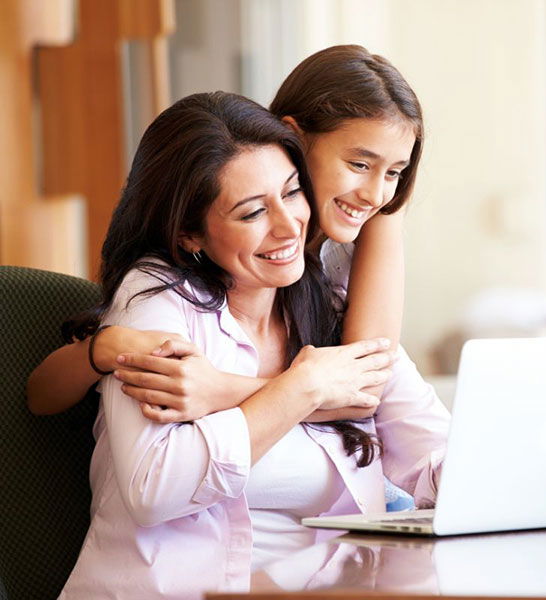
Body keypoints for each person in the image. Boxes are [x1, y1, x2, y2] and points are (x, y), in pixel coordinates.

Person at [59, 92, 448, 599]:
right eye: (251, 213)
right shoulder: (157, 300)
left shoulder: (324, 304)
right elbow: (153, 489)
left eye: (291, 193)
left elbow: (432, 459)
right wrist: (299, 390)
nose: (288, 227)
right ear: (190, 236)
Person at [27, 45, 420, 426]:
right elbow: (41, 396)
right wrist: (101, 349)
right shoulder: (197, 254)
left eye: (394, 172)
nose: (375, 193)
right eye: (358, 163)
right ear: (295, 138)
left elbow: (363, 391)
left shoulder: (365, 225)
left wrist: (220, 390)